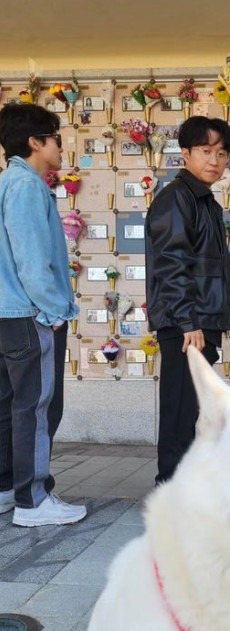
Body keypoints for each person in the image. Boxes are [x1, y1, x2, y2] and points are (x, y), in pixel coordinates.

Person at [0, 103, 86, 526]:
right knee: (36, 407)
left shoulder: (5, 182)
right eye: (55, 138)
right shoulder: (28, 186)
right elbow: (32, 261)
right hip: (29, 313)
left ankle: (6, 488)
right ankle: (33, 501)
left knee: (8, 404)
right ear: (35, 143)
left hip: (5, 314)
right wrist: (54, 311)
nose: (61, 145)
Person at [145, 116, 230, 484]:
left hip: (198, 322)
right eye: (205, 151)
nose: (214, 160)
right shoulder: (177, 199)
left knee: (190, 408)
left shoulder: (203, 201)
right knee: (180, 410)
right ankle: (172, 489)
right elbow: (171, 263)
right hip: (187, 326)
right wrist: (187, 322)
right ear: (185, 154)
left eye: (222, 152)